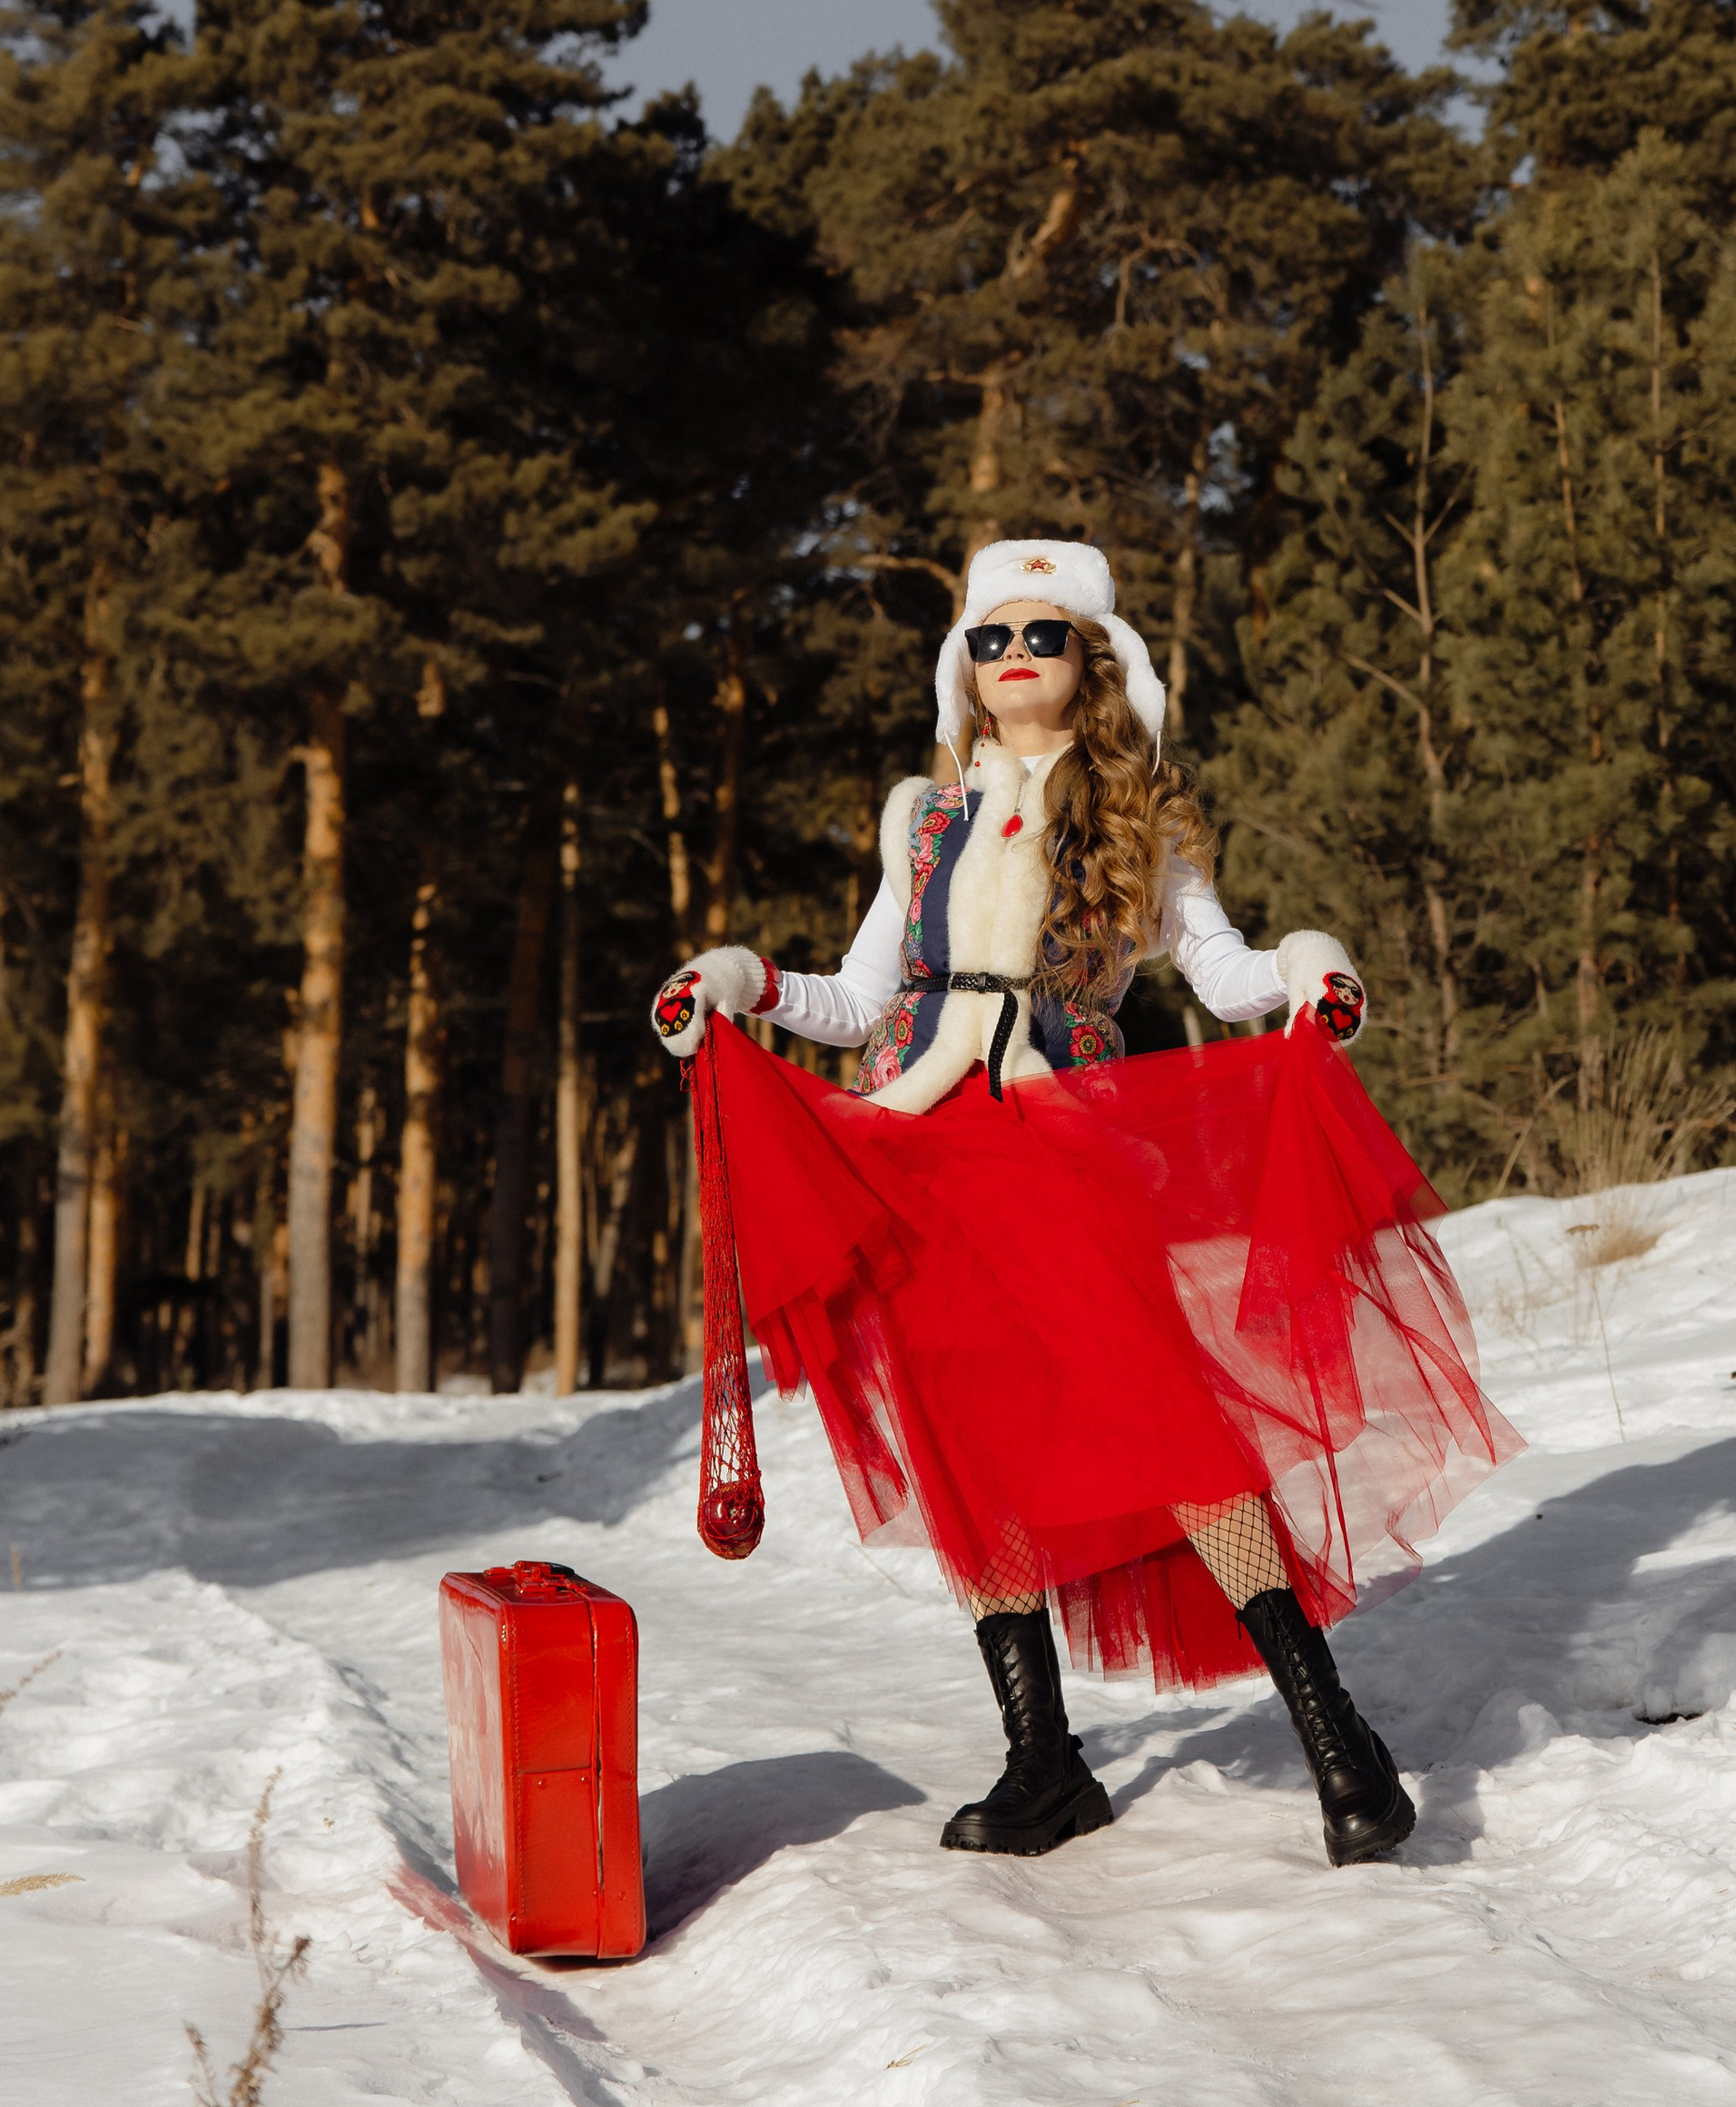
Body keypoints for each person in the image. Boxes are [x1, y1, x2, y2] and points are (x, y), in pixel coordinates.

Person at [650, 536, 1520, 1869]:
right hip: (920, 1159)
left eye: (1040, 634)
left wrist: (1308, 969)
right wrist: (738, 985)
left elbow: (1222, 974)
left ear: (1093, 659)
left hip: (1064, 1152)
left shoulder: (1141, 816)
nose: (1013, 657)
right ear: (964, 666)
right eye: (989, 638)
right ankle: (1043, 1763)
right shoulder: (921, 818)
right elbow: (862, 1000)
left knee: (1170, 1430)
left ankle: (1339, 1740)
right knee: (971, 1449)